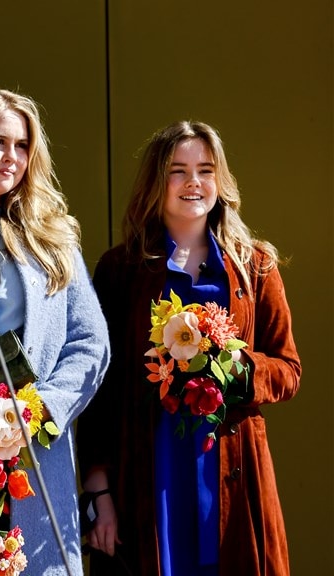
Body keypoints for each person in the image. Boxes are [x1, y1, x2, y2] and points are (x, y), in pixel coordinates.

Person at [78, 121, 301, 576]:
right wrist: (98, 493)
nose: (193, 182)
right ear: (156, 182)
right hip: (150, 466)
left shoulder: (255, 265)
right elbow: (100, 389)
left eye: (205, 169)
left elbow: (288, 369)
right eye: (178, 171)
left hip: (230, 471)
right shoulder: (121, 269)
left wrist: (235, 366)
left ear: (221, 181)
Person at [0, 86, 110, 576]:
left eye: (22, 145)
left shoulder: (51, 235)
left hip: (34, 451)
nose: (11, 157)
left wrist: (37, 408)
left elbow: (91, 343)